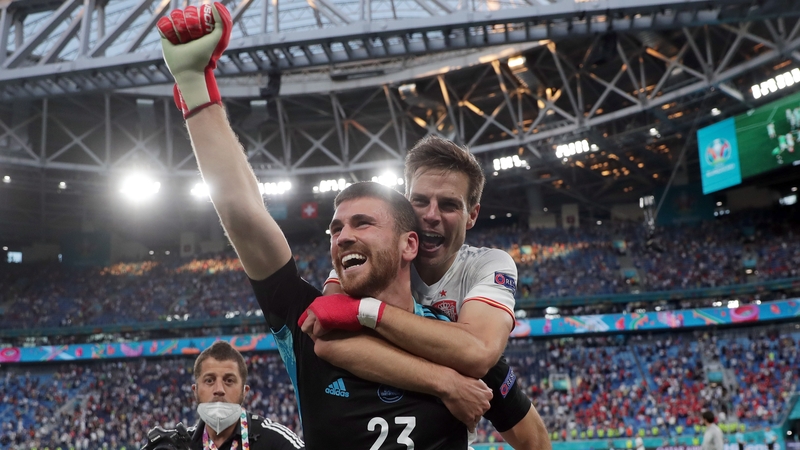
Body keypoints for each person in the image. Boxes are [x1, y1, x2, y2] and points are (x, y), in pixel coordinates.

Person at [157, 5, 492, 448]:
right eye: (335, 229)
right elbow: (242, 212)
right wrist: (196, 87)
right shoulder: (309, 323)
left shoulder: (450, 335)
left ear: (409, 243)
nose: (343, 236)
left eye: (363, 223)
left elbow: (531, 436)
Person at [304, 136, 550, 449]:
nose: (431, 215)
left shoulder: (488, 264)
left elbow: (477, 354)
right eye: (420, 201)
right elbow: (328, 342)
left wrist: (364, 312)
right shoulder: (369, 256)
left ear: (472, 215)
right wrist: (446, 381)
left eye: (448, 205)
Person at [189, 341, 304, 450]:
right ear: (195, 390)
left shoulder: (275, 440)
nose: (219, 389)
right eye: (209, 380)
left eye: (229, 380)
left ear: (245, 391)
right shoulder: (178, 443)